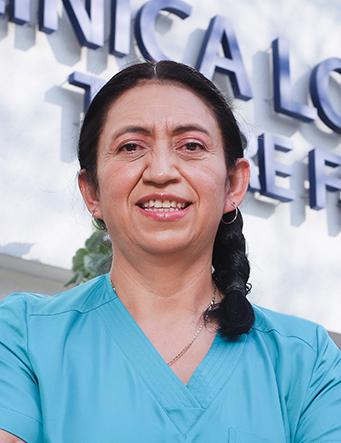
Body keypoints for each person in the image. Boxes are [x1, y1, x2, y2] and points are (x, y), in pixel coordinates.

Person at [0, 61, 340, 443]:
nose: (161, 171)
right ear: (91, 192)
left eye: (191, 146)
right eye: (131, 147)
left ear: (233, 184)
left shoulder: (305, 360)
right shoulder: (23, 336)